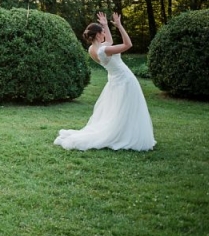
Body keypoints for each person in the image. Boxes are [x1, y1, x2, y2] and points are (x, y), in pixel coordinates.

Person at [54, 12, 155, 151]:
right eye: (102, 32)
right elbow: (128, 44)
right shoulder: (104, 49)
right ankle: (124, 136)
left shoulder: (92, 49)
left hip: (114, 81)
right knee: (128, 109)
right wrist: (119, 26)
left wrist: (105, 25)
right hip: (125, 80)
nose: (104, 34)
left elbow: (110, 42)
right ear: (97, 35)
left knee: (119, 110)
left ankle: (123, 133)